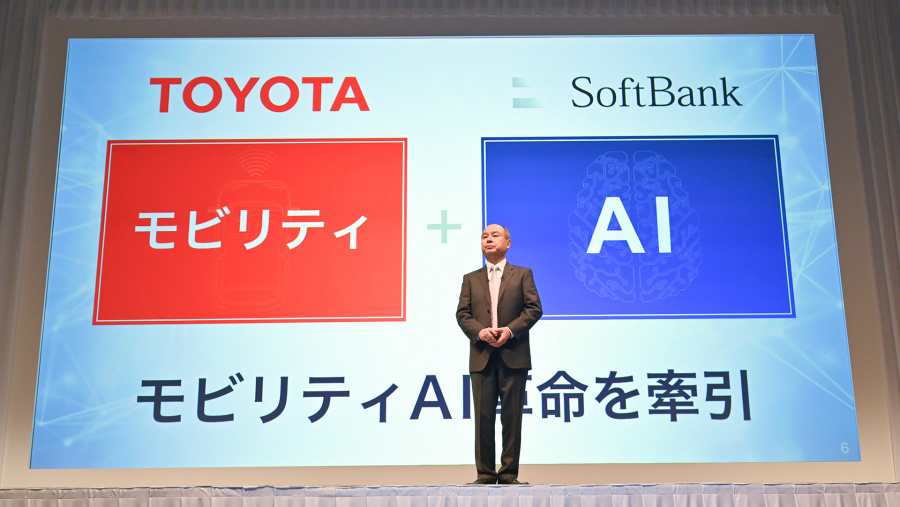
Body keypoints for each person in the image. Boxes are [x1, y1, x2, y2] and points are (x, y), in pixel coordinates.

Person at [456, 224, 542, 485]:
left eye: (495, 235)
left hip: (513, 354)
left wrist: (510, 330)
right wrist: (480, 332)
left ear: (508, 243)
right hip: (482, 356)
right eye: (484, 236)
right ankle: (484, 473)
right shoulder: (471, 278)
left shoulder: (523, 274)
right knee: (483, 418)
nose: (488, 239)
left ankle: (507, 473)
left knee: (512, 418)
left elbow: (533, 309)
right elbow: (463, 314)